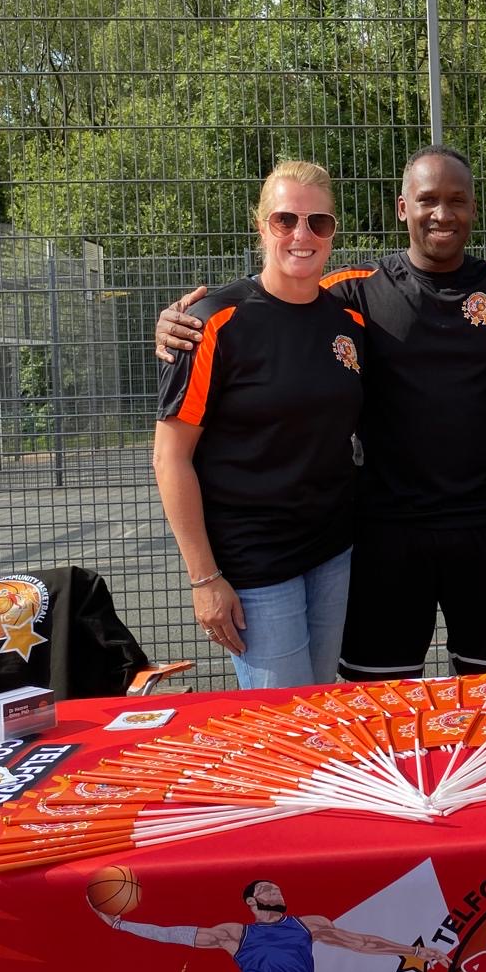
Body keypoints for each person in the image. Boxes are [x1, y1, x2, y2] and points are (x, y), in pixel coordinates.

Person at [155, 146, 486, 682]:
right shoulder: (353, 292)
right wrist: (177, 322)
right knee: (351, 705)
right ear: (402, 208)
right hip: (371, 537)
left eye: (457, 200)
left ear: (474, 207)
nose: (442, 214)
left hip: (455, 533)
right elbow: (273, 305)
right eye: (427, 199)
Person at [153, 160, 363, 688]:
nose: (302, 235)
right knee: (285, 721)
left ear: (333, 233)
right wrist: (204, 578)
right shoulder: (212, 321)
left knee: (322, 704)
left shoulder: (349, 320)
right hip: (255, 563)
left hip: (332, 552)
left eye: (319, 222)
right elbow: (170, 457)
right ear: (261, 225)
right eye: (285, 219)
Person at [95, 877, 448, 972]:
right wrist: (122, 926)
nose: (275, 890)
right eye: (266, 889)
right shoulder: (235, 934)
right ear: (251, 902)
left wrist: (416, 951)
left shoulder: (309, 925)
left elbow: (362, 943)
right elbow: (174, 935)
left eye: (276, 888)